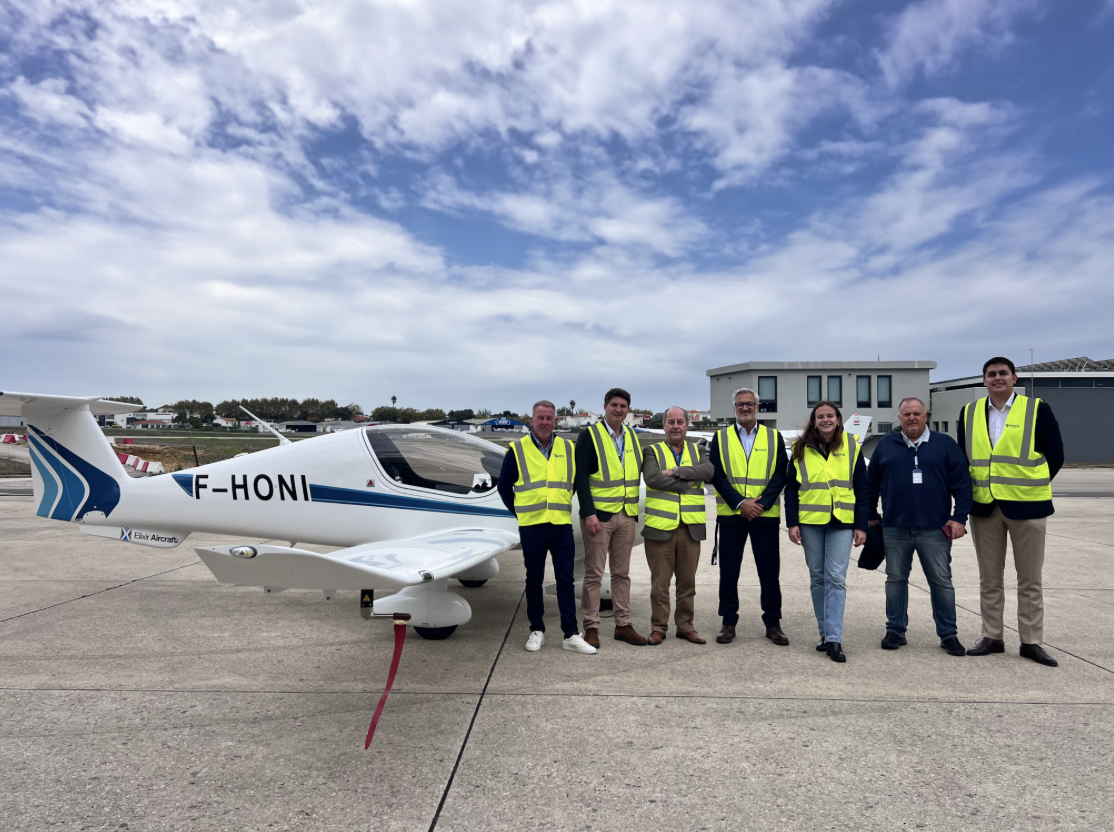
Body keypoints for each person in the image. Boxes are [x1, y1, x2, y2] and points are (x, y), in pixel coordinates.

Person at [959, 357, 1065, 667]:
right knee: (989, 578)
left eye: (1003, 373)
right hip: (985, 506)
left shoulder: (1036, 409)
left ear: (1014, 378)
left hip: (1028, 506)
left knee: (1030, 579)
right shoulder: (969, 412)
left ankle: (1031, 641)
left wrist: (1031, 486)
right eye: (991, 374)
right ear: (984, 380)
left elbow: (1056, 454)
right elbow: (964, 458)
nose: (997, 378)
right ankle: (992, 636)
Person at [867, 397, 971, 657]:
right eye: (906, 414)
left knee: (941, 582)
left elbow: (962, 484)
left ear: (926, 416)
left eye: (916, 413)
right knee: (895, 580)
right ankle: (895, 630)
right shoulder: (885, 445)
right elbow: (870, 484)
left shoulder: (945, 444)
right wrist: (869, 516)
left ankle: (948, 634)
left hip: (935, 528)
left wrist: (959, 518)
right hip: (895, 527)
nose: (911, 418)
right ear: (899, 418)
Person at [498, 400, 596, 654]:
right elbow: (504, 486)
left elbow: (574, 483)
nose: (544, 422)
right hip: (532, 525)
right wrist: (520, 511)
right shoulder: (517, 449)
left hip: (560, 524)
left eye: (549, 418)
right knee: (534, 579)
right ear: (532, 420)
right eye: (540, 418)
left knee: (565, 579)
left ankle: (570, 633)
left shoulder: (567, 448)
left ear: (555, 421)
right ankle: (536, 629)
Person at [785, 402, 869, 663]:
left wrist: (861, 525)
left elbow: (862, 488)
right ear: (814, 421)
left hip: (842, 521)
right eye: (820, 416)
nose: (825, 420)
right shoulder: (800, 448)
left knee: (836, 578)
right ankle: (824, 633)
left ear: (838, 419)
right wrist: (792, 523)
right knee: (818, 577)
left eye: (830, 416)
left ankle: (834, 637)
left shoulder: (852, 445)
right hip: (810, 521)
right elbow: (791, 488)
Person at [708, 387, 789, 646]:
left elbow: (781, 473)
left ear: (757, 407)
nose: (745, 408)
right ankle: (728, 622)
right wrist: (740, 503)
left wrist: (761, 504)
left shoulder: (773, 436)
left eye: (750, 404)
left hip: (765, 516)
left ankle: (773, 623)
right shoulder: (720, 438)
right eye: (740, 404)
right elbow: (716, 475)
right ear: (734, 408)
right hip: (732, 515)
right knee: (729, 572)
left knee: (769, 572)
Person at [574, 388, 648, 648]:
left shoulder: (632, 436)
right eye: (614, 405)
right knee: (594, 574)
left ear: (628, 410)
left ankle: (623, 625)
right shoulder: (590, 436)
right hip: (599, 517)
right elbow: (580, 477)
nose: (618, 409)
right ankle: (591, 627)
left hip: (626, 515)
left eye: (623, 406)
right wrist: (588, 513)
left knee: (621, 574)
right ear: (605, 407)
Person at [641, 406, 715, 645]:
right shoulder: (651, 451)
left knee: (687, 584)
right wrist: (688, 482)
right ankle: (658, 628)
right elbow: (652, 478)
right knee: (659, 584)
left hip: (690, 528)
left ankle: (685, 627)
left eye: (680, 422)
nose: (675, 426)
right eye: (671, 422)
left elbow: (708, 471)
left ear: (686, 425)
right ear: (664, 425)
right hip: (659, 528)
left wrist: (675, 471)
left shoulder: (698, 450)